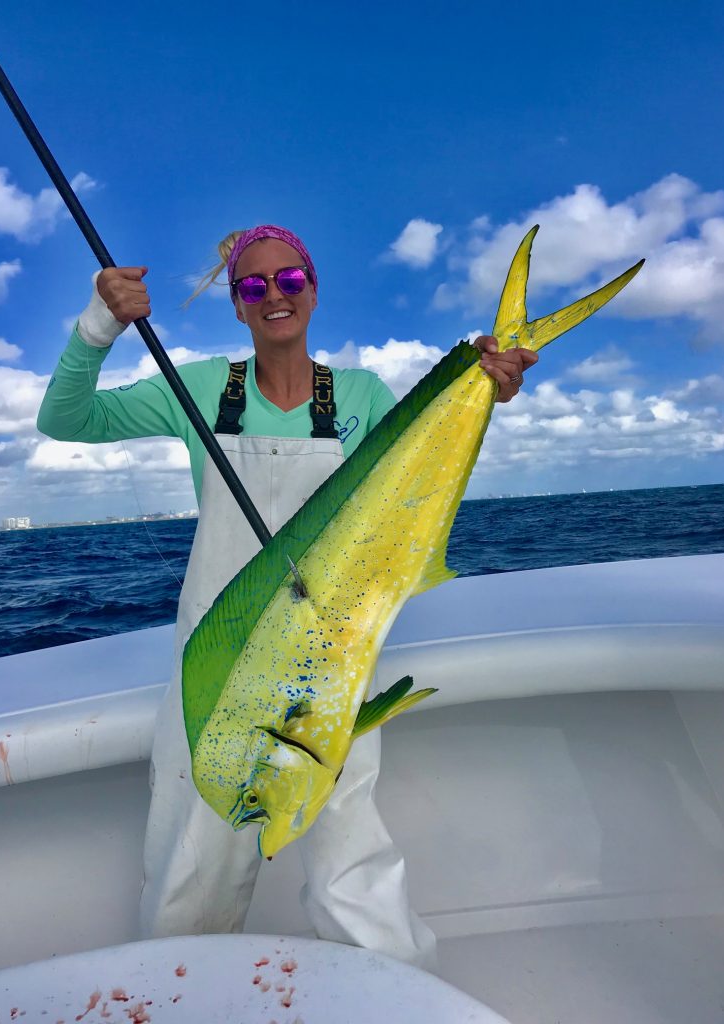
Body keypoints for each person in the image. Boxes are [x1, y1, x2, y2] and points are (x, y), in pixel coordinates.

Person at [37, 224, 538, 970]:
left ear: (312, 289)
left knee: (350, 850)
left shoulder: (360, 396)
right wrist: (98, 324)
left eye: (289, 281)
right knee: (193, 858)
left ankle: (392, 994)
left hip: (331, 663)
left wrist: (480, 390)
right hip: (219, 674)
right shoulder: (202, 389)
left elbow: (407, 486)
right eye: (253, 286)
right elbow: (64, 419)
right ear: (238, 307)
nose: (274, 295)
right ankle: (182, 992)